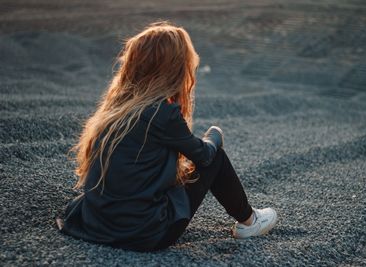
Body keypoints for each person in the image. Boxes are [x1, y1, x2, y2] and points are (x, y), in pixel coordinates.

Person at [57, 20, 277, 252]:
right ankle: (249, 222)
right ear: (175, 68)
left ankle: (247, 220)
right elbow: (203, 155)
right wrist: (215, 134)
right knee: (216, 157)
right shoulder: (161, 113)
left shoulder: (114, 110)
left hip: (94, 225)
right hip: (143, 235)